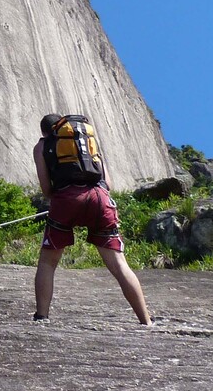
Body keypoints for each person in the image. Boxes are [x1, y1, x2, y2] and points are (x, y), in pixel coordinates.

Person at [33, 113, 151, 325]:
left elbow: (46, 189)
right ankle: (146, 321)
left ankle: (42, 317)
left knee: (48, 262)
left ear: (44, 131)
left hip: (66, 199)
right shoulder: (88, 142)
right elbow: (108, 184)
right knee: (119, 264)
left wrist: (62, 197)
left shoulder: (42, 146)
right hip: (100, 199)